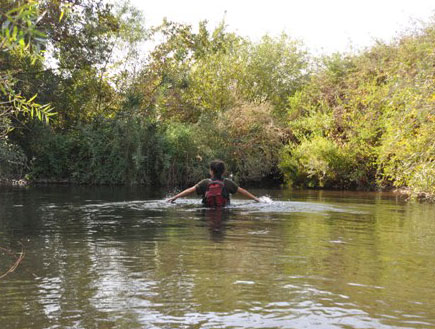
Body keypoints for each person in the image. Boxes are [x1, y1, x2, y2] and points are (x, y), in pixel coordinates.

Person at [167, 160, 260, 205]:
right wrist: (256, 199)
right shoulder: (227, 182)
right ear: (223, 171)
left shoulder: (205, 182)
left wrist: (175, 197)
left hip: (207, 210)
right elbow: (242, 191)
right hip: (224, 210)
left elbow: (189, 191)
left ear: (211, 171)